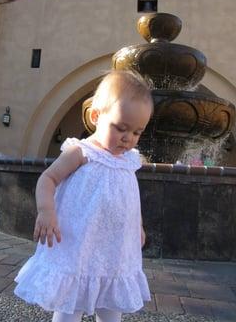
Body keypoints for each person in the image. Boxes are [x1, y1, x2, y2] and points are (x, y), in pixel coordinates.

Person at [14, 70, 154, 322]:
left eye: (137, 132)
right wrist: (47, 211)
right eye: (121, 128)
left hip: (114, 249)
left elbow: (130, 198)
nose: (128, 138)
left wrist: (138, 226)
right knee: (70, 303)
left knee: (112, 303)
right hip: (78, 244)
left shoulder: (128, 161)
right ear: (96, 116)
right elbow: (48, 178)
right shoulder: (81, 152)